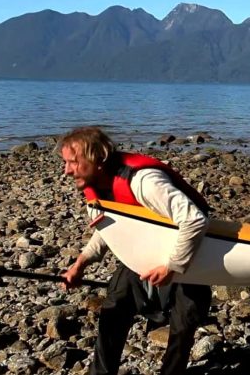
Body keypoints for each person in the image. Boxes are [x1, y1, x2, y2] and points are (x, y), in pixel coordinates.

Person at [58, 126, 212, 375]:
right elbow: (109, 228)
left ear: (99, 159)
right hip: (145, 250)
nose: (66, 170)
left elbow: (194, 220)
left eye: (73, 162)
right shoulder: (99, 188)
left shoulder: (145, 182)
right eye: (65, 162)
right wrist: (80, 264)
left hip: (191, 250)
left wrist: (172, 266)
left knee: (184, 323)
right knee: (113, 308)